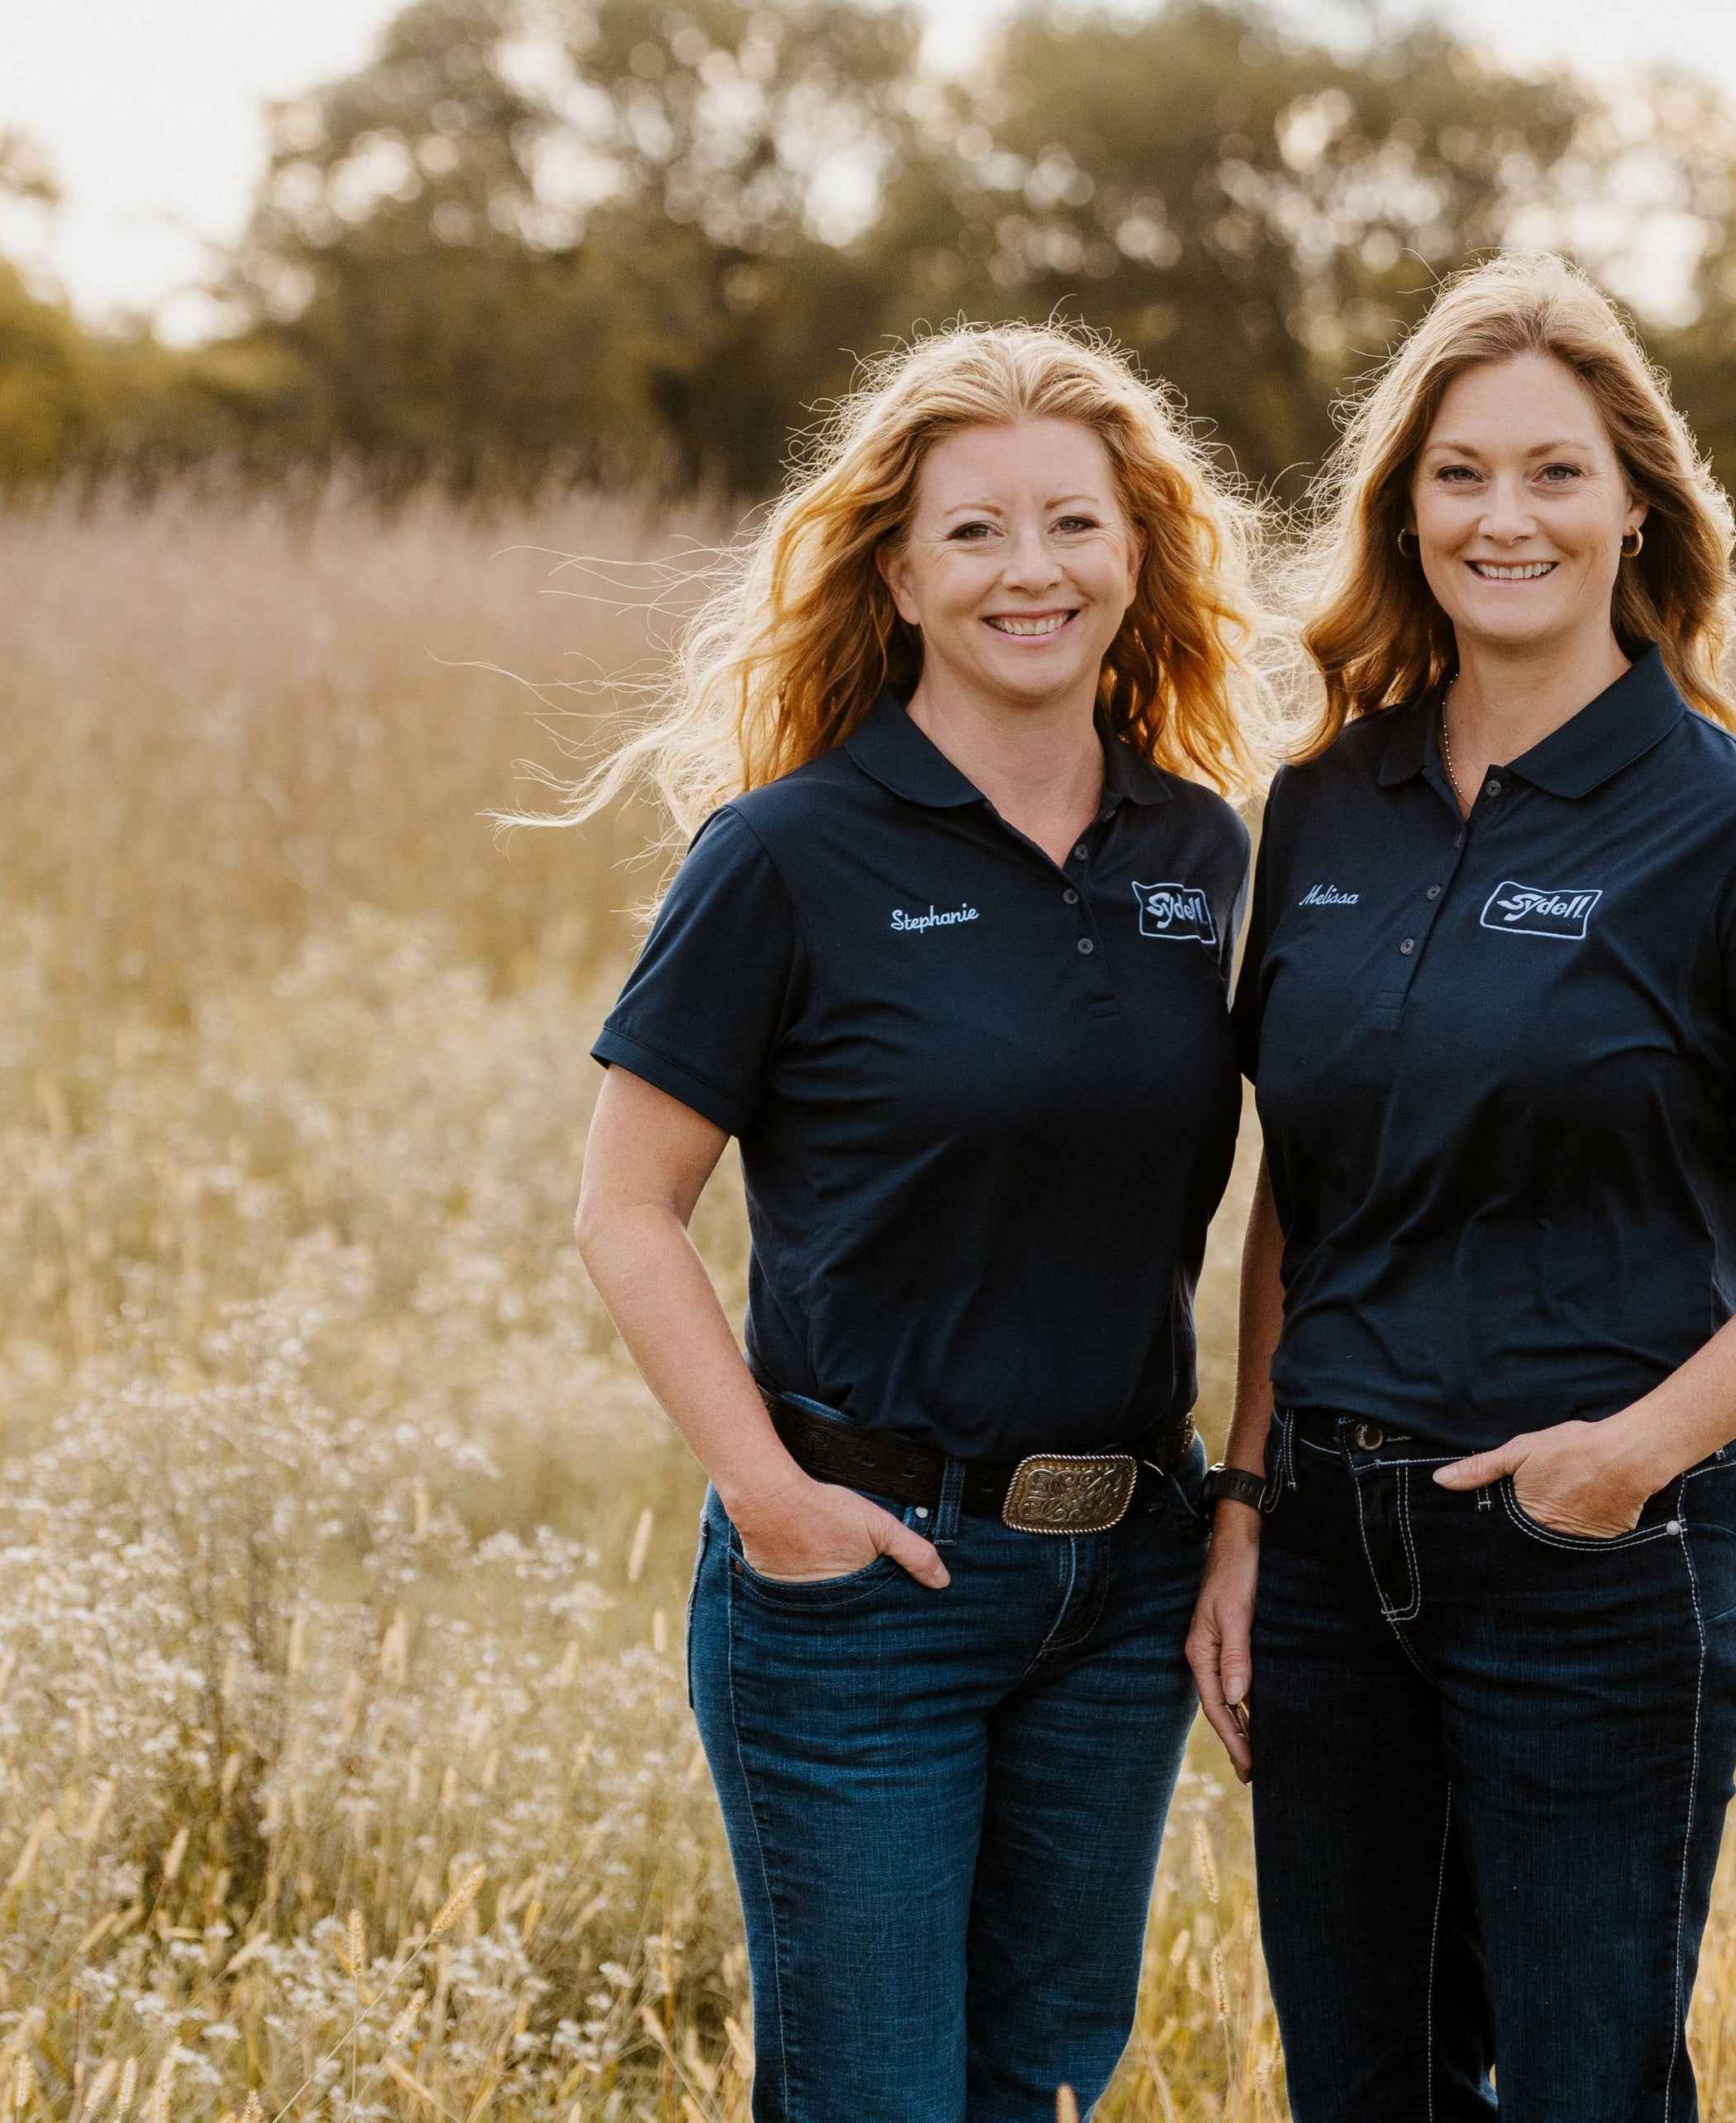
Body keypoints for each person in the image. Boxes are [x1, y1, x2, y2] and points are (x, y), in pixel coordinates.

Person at [1187, 253, 1736, 2121]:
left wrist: (1625, 1461)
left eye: (1553, 474)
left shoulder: (1735, 826)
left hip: (1593, 1559)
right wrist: (1249, 1502)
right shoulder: (1325, 807)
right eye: (1457, 475)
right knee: (1364, 2088)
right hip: (1335, 1554)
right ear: (1403, 510)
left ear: (1636, 511)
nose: (1501, 516)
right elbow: (1306, 1187)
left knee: (1590, 2091)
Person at [567, 324, 1272, 2123]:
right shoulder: (789, 853)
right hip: (862, 1577)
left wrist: (1238, 1503)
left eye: (1070, 524)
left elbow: (1309, 1204)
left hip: (1125, 1578)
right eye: (973, 533)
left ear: (1138, 550)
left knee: (1036, 2084)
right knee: (876, 2097)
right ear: (896, 569)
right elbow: (627, 1203)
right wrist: (766, 1491)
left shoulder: (1205, 856)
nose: (1028, 570)